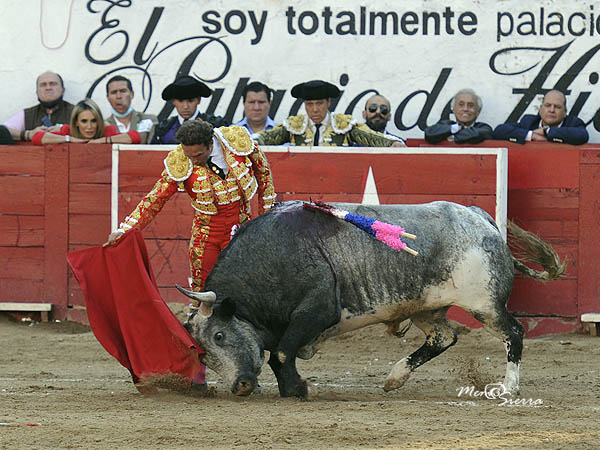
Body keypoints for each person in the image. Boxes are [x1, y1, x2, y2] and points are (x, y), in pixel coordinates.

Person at [256, 80, 404, 147]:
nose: (314, 109)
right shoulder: (293, 125)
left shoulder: (344, 124)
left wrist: (391, 143)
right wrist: (249, 141)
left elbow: (370, 137)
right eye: (309, 104)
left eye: (319, 103)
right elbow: (267, 137)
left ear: (328, 102)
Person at [492, 90, 589, 145]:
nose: (551, 110)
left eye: (557, 107)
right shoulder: (529, 122)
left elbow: (582, 136)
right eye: (547, 105)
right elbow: (499, 131)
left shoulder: (573, 123)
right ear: (540, 109)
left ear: (565, 112)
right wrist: (531, 135)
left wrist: (546, 132)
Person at [153, 75, 229, 144]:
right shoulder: (163, 129)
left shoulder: (216, 126)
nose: (185, 106)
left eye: (190, 101)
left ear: (198, 100)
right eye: (180, 101)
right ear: (173, 101)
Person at [31, 98, 142, 145]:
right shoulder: (68, 131)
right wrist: (70, 139)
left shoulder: (105, 132)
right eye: (84, 121)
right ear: (76, 122)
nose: (89, 126)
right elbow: (37, 137)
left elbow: (135, 137)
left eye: (94, 121)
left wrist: (102, 141)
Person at [3, 71, 74, 143]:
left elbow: (85, 132)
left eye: (53, 84)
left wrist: (67, 131)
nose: (48, 88)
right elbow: (2, 131)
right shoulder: (27, 114)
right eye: (43, 85)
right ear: (37, 92)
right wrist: (29, 134)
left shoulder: (76, 112)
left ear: (63, 90)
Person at [424, 89, 492, 144]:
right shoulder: (446, 124)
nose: (465, 109)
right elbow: (429, 133)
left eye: (471, 105)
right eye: (461, 105)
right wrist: (456, 128)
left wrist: (451, 135)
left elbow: (474, 134)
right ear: (453, 109)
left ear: (478, 111)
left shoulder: (484, 128)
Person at [105, 75, 158, 144]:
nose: (118, 96)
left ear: (132, 94)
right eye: (114, 92)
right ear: (108, 98)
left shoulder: (148, 120)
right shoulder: (103, 126)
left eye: (123, 91)